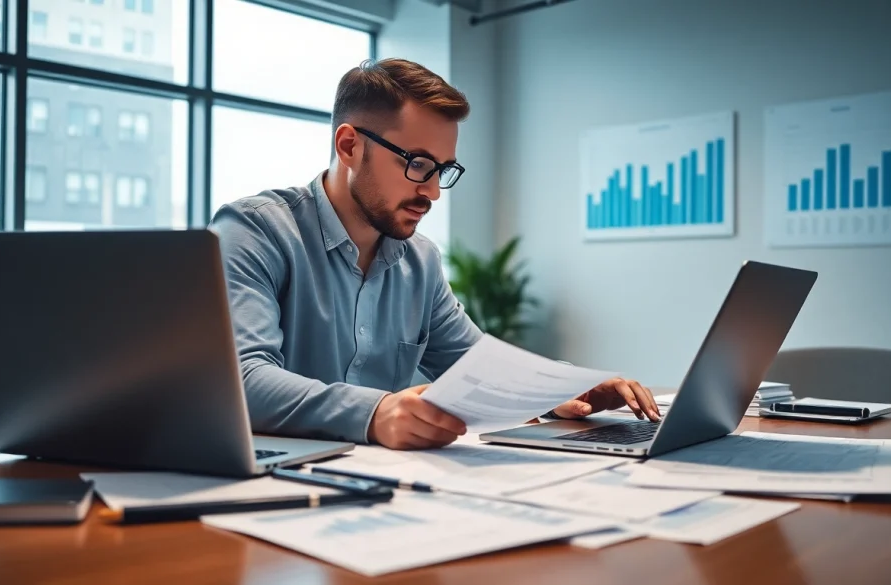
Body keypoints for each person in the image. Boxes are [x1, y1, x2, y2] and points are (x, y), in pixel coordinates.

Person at [210, 58, 660, 451]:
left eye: (442, 170)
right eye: (418, 164)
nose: (431, 192)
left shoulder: (418, 261)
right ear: (349, 146)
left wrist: (565, 388)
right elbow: (239, 381)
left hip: (383, 490)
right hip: (269, 492)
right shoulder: (255, 231)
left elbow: (478, 365)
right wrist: (375, 412)